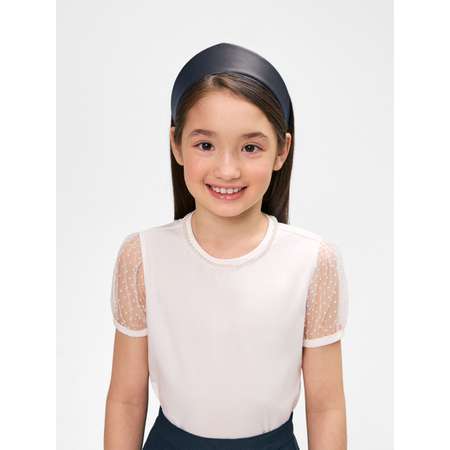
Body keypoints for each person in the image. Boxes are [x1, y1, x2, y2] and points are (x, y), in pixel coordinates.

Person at [104, 42, 349, 450]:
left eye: (250, 147)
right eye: (205, 145)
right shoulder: (143, 256)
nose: (227, 169)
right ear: (176, 144)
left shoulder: (312, 261)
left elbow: (326, 407)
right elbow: (126, 399)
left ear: (282, 150)